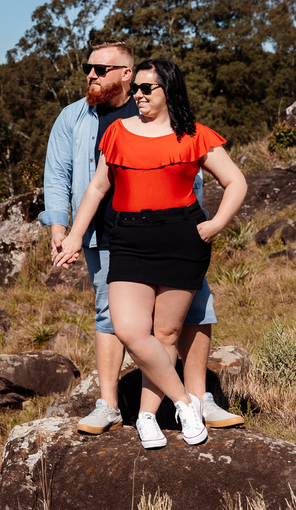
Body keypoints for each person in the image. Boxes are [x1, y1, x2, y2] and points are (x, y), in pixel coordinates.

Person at [39, 42, 243, 436]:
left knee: (195, 313)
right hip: (113, 235)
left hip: (177, 235)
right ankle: (111, 405)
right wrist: (64, 230)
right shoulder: (78, 118)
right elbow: (64, 176)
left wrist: (207, 224)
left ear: (127, 73)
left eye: (100, 68)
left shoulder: (165, 115)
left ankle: (197, 401)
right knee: (114, 319)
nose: (91, 75)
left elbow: (204, 171)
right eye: (89, 68)